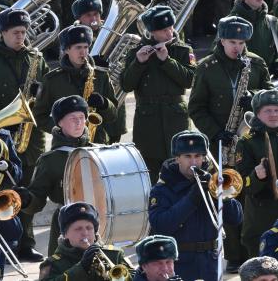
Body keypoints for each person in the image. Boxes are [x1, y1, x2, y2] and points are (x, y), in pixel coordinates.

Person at [0, 8, 49, 261]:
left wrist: (39, 96)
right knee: (3, 190)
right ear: (3, 33)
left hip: (31, 135)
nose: (21, 37)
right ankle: (5, 243)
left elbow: (46, 94)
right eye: (15, 32)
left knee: (27, 191)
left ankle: (26, 243)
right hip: (1, 134)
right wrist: (3, 120)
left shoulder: (36, 59)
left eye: (24, 32)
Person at [148, 130, 243, 281]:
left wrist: (221, 195)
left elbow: (236, 219)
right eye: (187, 156)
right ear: (177, 158)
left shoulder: (212, 180)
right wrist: (192, 198)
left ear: (204, 157)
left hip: (211, 261)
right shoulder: (162, 188)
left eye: (198, 156)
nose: (193, 162)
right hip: (180, 262)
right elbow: (161, 224)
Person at [121, 5, 195, 184]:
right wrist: (139, 63)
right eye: (163, 30)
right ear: (152, 32)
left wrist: (167, 61)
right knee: (150, 171)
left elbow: (190, 80)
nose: (169, 33)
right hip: (148, 121)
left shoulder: (183, 50)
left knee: (181, 166)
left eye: (171, 27)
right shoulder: (136, 52)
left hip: (175, 117)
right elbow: (126, 84)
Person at [15, 95, 93, 256]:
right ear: (59, 122)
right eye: (72, 118)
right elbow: (37, 199)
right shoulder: (50, 160)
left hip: (97, 225)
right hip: (65, 227)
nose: (79, 123)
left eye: (82, 117)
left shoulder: (97, 152)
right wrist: (27, 199)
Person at [189, 16, 272, 159]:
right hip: (220, 144)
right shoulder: (205, 68)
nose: (237, 47)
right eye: (232, 42)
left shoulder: (257, 63)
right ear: (222, 41)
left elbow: (272, 95)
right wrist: (215, 133)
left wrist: (254, 97)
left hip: (253, 140)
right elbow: (196, 108)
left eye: (241, 42)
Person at [33, 24, 118, 144]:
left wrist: (104, 104)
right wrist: (64, 128)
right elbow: (39, 116)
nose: (83, 52)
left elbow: (113, 115)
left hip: (96, 142)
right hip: (64, 145)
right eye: (78, 47)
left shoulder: (101, 75)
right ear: (67, 49)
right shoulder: (51, 80)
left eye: (86, 47)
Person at [72, 0, 127, 144]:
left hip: (112, 99)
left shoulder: (112, 33)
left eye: (96, 14)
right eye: (88, 15)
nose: (94, 19)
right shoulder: (71, 37)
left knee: (114, 146)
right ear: (79, 18)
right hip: (87, 101)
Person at [38, 201, 133, 281]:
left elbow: (136, 276)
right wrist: (81, 268)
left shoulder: (115, 254)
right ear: (65, 234)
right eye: (78, 229)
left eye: (89, 228)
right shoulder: (53, 264)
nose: (85, 233)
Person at [235, 88, 278, 258]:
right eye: (268, 110)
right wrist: (257, 177)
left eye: (276, 110)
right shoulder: (247, 143)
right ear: (257, 113)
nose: (273, 114)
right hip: (262, 217)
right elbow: (243, 185)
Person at [229, 0, 278, 78]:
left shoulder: (273, 22)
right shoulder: (229, 23)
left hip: (267, 82)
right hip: (239, 83)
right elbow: (216, 57)